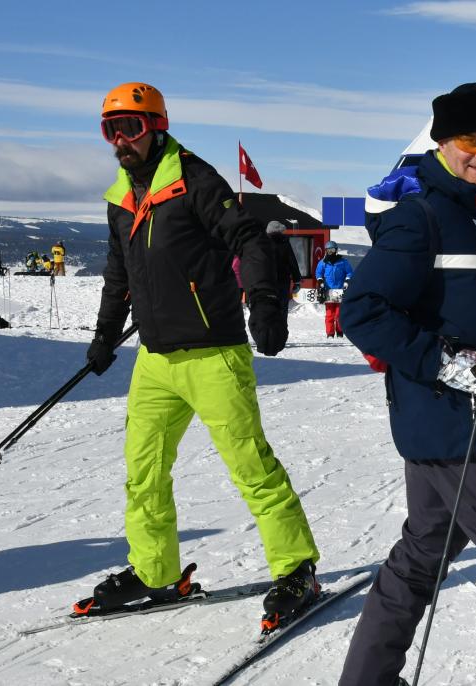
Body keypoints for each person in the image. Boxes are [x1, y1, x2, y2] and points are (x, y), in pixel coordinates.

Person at [80, 82, 320, 627]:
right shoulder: (121, 197)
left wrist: (264, 304)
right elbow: (119, 274)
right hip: (155, 359)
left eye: (132, 127)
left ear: (156, 126)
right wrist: (103, 336)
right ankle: (154, 569)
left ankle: (297, 567)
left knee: (250, 467)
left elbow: (252, 241)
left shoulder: (195, 179)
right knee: (143, 473)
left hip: (213, 352)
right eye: (111, 130)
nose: (121, 140)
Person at [337, 82, 476, 686]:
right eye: (470, 140)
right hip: (466, 427)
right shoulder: (424, 217)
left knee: (421, 555)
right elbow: (364, 311)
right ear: (442, 142)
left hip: (457, 424)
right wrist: (452, 364)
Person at [314, 240, 353, 338]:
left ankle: (340, 332)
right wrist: (320, 280)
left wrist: (347, 280)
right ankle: (330, 333)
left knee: (339, 313)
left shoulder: (343, 262)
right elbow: (318, 272)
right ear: (326, 251)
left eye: (332, 250)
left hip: (340, 290)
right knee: (330, 313)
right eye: (328, 250)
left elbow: (349, 272)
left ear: (336, 250)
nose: (330, 252)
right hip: (328, 291)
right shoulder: (323, 262)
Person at [265, 220, 302, 317]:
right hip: (283, 281)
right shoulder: (285, 243)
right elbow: (292, 262)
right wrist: (297, 281)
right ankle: (282, 330)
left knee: (269, 309)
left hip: (268, 282)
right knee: (282, 309)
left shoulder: (264, 244)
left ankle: (271, 330)